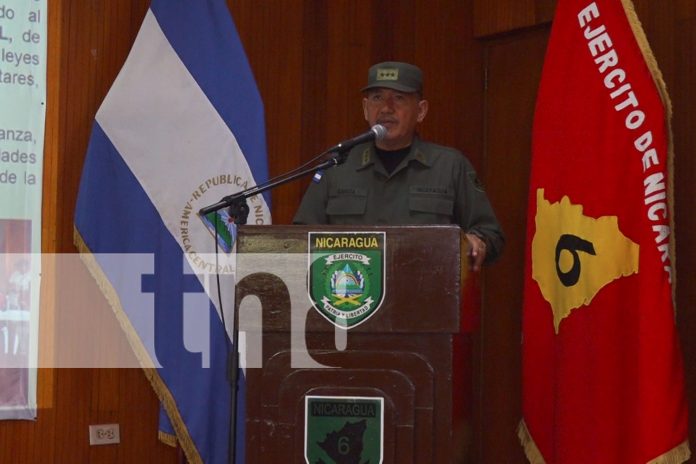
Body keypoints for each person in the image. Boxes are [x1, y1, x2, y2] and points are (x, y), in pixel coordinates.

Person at [293, 61, 504, 271]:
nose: (386, 108)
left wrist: (477, 242)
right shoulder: (337, 166)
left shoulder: (450, 166)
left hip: (426, 295)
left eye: (399, 98)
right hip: (351, 295)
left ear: (421, 111)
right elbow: (301, 238)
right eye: (377, 98)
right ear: (366, 109)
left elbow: (490, 233)